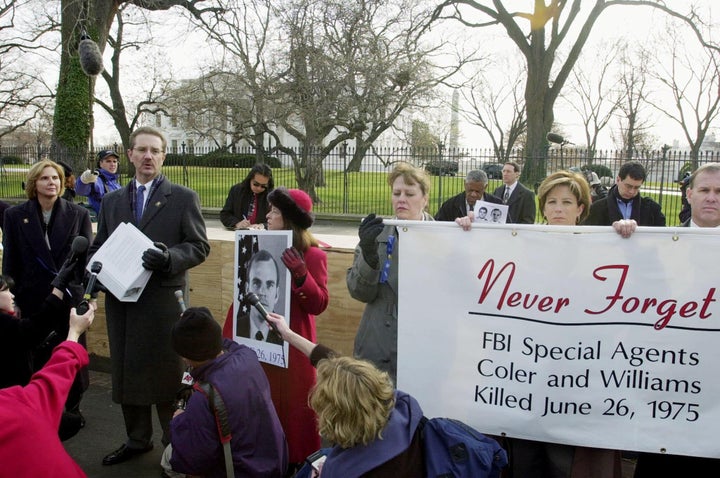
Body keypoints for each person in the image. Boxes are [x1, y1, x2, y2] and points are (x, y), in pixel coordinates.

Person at [90, 126, 210, 467]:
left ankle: (175, 447)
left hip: (162, 304)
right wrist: (94, 266)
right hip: (122, 303)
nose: (147, 156)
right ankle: (136, 440)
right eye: (141, 150)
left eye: (154, 151)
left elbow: (199, 246)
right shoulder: (112, 201)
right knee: (128, 374)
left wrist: (170, 258)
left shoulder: (183, 197)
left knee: (167, 377)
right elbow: (101, 248)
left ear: (163, 156)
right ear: (129, 154)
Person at [503, 170, 621, 478]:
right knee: (525, 462)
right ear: (542, 207)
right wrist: (467, 231)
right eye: (552, 202)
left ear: (581, 208)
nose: (558, 208)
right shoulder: (520, 244)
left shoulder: (602, 248)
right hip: (525, 375)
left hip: (574, 381)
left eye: (567, 202)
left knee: (564, 463)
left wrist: (630, 238)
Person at [631, 163, 720, 476]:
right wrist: (617, 243)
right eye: (705, 190)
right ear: (689, 194)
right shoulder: (660, 246)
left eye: (719, 192)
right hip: (667, 390)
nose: (712, 198)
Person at [265, 312, 424, 478]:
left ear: (335, 416)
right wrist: (288, 334)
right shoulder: (404, 411)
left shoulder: (339, 470)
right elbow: (341, 370)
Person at [2, 159, 93, 427]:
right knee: (37, 357)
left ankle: (72, 409)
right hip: (34, 299)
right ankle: (38, 411)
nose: (51, 182)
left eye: (56, 178)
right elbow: (11, 260)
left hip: (68, 299)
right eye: (45, 178)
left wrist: (89, 299)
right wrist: (13, 299)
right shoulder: (15, 215)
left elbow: (85, 263)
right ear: (34, 183)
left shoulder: (78, 214)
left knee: (70, 352)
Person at [161, 307, 288, 478]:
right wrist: (202, 320)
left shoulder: (205, 396)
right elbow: (225, 343)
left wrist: (178, 422)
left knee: (168, 458)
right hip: (273, 464)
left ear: (185, 357)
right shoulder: (247, 356)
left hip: (242, 472)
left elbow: (193, 460)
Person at [261, 186, 329, 472]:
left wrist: (301, 274)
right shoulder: (264, 243)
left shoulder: (313, 255)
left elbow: (319, 304)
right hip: (265, 339)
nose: (268, 216)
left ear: (288, 220)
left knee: (296, 405)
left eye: (274, 212)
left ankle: (298, 461)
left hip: (296, 339)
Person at [348, 162, 433, 383]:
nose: (401, 199)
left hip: (420, 350)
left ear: (425, 198)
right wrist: (368, 256)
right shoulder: (376, 233)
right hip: (376, 347)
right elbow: (358, 292)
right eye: (396, 193)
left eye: (410, 193)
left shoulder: (443, 237)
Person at [0, 302, 94, 477]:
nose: (13, 295)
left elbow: (49, 382)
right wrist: (74, 332)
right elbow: (50, 383)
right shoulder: (15, 407)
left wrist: (73, 333)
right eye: (5, 289)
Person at [583, 161, 665, 227]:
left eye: (636, 187)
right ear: (618, 180)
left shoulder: (652, 210)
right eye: (628, 186)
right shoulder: (597, 208)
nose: (632, 191)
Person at [236, 249, 284, 344]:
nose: (262, 292)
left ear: (277, 295)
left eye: (269, 285)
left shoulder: (284, 336)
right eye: (256, 283)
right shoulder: (236, 327)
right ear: (246, 289)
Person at [220, 163, 274, 230]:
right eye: (256, 184)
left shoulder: (272, 196)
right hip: (238, 234)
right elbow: (225, 214)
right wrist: (237, 223)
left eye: (263, 186)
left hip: (262, 235)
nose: (259, 188)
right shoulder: (237, 190)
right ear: (250, 179)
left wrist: (263, 225)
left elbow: (278, 219)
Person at [434, 169, 501, 221]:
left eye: (478, 191)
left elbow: (507, 230)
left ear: (485, 187)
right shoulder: (449, 206)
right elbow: (438, 227)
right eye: (470, 190)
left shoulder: (497, 205)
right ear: (465, 184)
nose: (473, 194)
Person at [75, 149, 122, 216]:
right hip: (103, 222)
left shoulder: (116, 183)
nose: (112, 164)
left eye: (115, 161)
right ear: (100, 163)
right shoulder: (97, 180)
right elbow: (80, 190)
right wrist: (84, 180)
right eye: (108, 161)